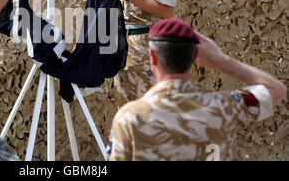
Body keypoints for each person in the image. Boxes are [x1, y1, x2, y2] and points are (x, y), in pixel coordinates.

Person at [107, 18, 287, 161]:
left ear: (152, 57)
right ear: (194, 57)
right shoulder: (224, 107)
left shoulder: (130, 118)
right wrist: (221, 61)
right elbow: (276, 90)